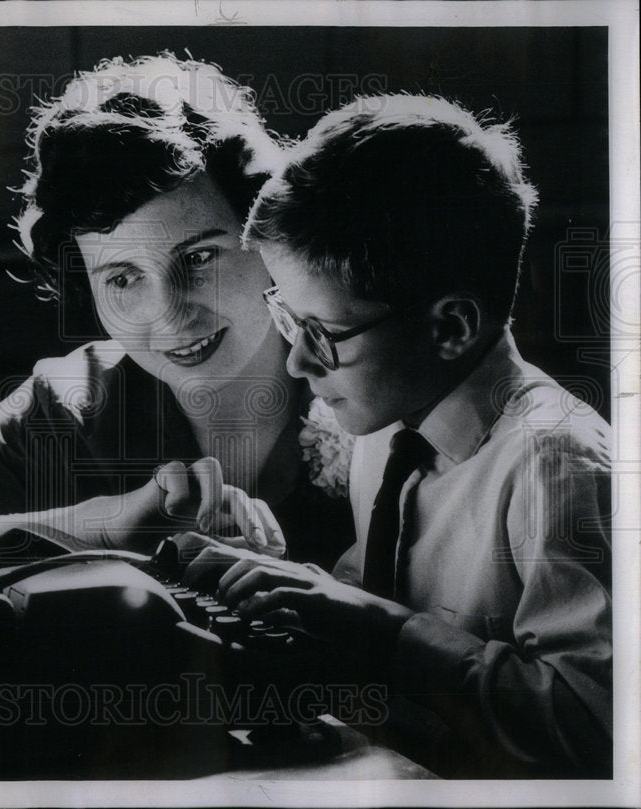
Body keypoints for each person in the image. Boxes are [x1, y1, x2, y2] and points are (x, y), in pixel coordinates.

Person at [184, 94, 612, 777]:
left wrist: (381, 630)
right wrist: (276, 582)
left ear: (450, 328)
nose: (297, 362)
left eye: (322, 333)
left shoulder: (555, 465)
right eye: (288, 321)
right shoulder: (389, 431)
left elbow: (594, 731)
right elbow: (368, 602)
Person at [0, 54, 352, 567]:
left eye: (199, 258)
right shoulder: (68, 405)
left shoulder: (364, 370)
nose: (167, 314)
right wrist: (96, 528)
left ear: (267, 237)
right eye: (122, 277)